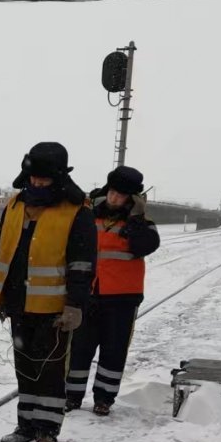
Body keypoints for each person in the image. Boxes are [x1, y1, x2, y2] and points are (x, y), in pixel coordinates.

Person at [0, 142, 98, 442]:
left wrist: (75, 304)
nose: (36, 182)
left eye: (44, 178)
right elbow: (0, 251)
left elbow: (82, 263)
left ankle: (47, 432)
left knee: (49, 371)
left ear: (59, 177)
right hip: (19, 302)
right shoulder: (15, 204)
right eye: (33, 176)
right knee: (25, 367)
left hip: (54, 309)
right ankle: (26, 426)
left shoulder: (77, 210)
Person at [66, 165, 160, 414]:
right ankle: (71, 396)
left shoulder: (143, 224)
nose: (114, 198)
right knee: (78, 349)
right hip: (89, 294)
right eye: (112, 192)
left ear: (132, 198)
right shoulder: (87, 215)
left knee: (113, 351)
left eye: (121, 195)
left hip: (122, 299)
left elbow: (147, 246)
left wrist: (136, 221)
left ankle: (104, 399)